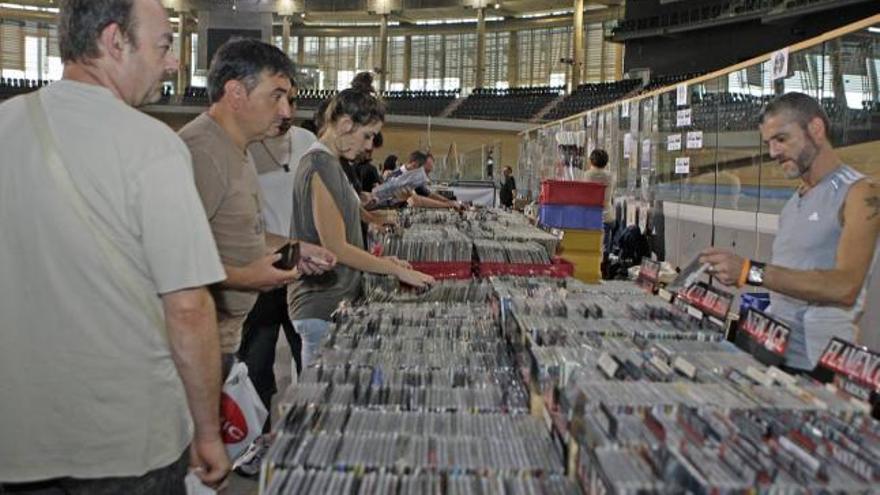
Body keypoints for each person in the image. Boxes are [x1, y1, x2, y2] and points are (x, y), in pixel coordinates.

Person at [0, 0, 230, 492]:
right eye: (164, 46)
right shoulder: (152, 145)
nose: (171, 63)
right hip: (124, 444)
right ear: (113, 42)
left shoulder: (5, 126)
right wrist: (207, 430)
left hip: (17, 442)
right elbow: (188, 309)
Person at [178, 39, 335, 376]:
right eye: (275, 96)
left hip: (223, 337)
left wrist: (293, 248)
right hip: (198, 347)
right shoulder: (202, 152)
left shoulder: (240, 148)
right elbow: (172, 263)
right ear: (236, 93)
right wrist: (247, 277)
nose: (287, 112)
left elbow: (236, 231)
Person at [700, 92, 879, 373]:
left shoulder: (860, 192)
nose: (773, 153)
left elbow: (845, 288)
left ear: (816, 130)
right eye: (768, 143)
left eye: (782, 139)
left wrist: (749, 271)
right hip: (773, 355)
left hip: (818, 366)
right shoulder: (794, 201)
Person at [289, 72, 435, 367]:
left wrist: (388, 263)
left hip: (330, 302)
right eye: (366, 135)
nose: (369, 145)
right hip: (322, 305)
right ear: (345, 125)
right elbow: (336, 247)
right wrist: (395, 272)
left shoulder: (330, 164)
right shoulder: (320, 164)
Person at [584, 149, 615, 268]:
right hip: (607, 215)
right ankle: (604, 268)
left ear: (591, 161)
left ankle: (593, 268)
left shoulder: (587, 175)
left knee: (592, 246)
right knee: (605, 246)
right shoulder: (610, 176)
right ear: (606, 162)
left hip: (591, 217)